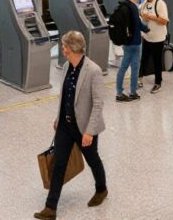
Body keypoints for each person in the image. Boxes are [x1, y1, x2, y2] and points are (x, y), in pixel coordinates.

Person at [35, 31, 108, 220]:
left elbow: (99, 104)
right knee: (59, 163)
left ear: (72, 48)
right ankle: (50, 207)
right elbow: (64, 96)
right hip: (65, 125)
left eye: (64, 46)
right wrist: (58, 118)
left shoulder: (93, 71)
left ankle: (101, 189)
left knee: (93, 159)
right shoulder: (67, 66)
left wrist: (90, 132)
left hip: (84, 127)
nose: (62, 49)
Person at [114, 0, 148, 102]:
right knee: (135, 68)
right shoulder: (133, 7)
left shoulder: (124, 4)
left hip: (126, 41)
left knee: (123, 67)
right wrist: (147, 29)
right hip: (135, 41)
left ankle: (119, 92)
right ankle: (132, 92)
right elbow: (138, 24)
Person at [140, 0, 169, 94]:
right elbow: (141, 14)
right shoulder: (144, 3)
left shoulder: (160, 3)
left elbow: (164, 21)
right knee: (144, 59)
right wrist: (144, 17)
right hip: (147, 36)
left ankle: (158, 82)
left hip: (158, 37)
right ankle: (140, 79)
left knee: (157, 61)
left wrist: (151, 17)